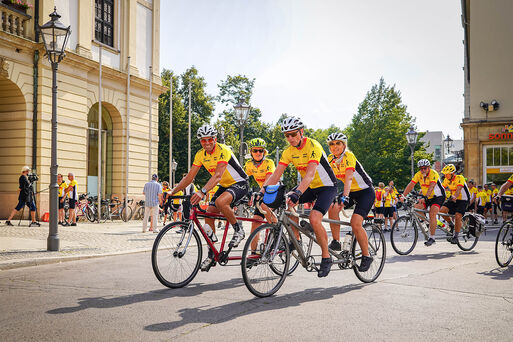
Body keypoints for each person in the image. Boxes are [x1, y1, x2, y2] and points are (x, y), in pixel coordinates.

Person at [258, 116, 338, 277]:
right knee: (288, 203)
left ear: (301, 132)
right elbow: (275, 175)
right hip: (310, 187)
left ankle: (326, 257)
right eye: (287, 135)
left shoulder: (313, 145)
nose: (290, 138)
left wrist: (298, 193)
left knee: (315, 218)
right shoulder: (289, 152)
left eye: (293, 134)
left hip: (326, 187)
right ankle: (296, 239)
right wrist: (261, 191)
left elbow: (309, 175)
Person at [171, 124, 249, 272]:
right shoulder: (200, 154)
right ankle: (212, 253)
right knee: (209, 214)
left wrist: (202, 191)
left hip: (240, 183)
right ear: (200, 141)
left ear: (215, 138)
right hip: (225, 185)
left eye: (210, 139)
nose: (207, 143)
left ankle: (238, 230)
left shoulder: (223, 150)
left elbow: (218, 175)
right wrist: (173, 192)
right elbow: (189, 177)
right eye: (203, 140)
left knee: (220, 202)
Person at [325, 132, 374, 272]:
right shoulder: (330, 159)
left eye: (338, 143)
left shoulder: (349, 156)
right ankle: (336, 242)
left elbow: (349, 178)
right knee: (333, 207)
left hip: (365, 191)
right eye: (332, 144)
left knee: (355, 222)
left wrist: (344, 196)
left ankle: (366, 255)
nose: (335, 147)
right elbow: (329, 180)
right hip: (351, 191)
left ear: (344, 145)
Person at [401, 159, 445, 246]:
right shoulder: (419, 174)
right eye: (421, 168)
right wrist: (403, 196)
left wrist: (425, 197)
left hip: (438, 196)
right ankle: (427, 223)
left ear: (429, 168)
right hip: (427, 196)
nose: (423, 170)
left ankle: (432, 238)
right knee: (416, 207)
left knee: (432, 213)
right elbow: (411, 185)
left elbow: (431, 186)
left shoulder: (434, 173)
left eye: (425, 168)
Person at [243, 138, 277, 252]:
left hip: (274, 191)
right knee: (255, 223)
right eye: (255, 150)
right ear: (251, 152)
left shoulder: (269, 163)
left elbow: (268, 180)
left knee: (264, 208)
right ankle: (253, 253)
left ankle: (278, 237)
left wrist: (261, 192)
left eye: (261, 151)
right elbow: (242, 178)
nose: (258, 153)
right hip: (262, 195)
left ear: (264, 152)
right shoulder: (249, 164)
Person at [439, 164, 470, 244]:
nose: (445, 175)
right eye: (445, 174)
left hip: (463, 200)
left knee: (457, 216)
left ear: (452, 173)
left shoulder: (460, 178)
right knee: (442, 210)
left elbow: (459, 189)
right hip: (453, 199)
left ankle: (456, 237)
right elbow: (441, 189)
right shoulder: (446, 180)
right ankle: (451, 224)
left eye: (447, 174)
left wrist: (455, 196)